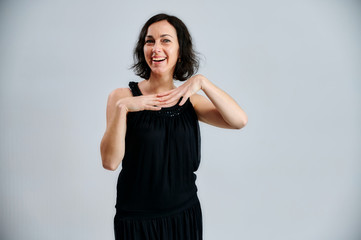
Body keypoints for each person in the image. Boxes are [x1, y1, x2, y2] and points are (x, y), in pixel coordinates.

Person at [100, 13, 248, 240]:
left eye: (165, 40)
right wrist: (124, 109)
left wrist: (202, 82)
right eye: (150, 41)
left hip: (184, 215)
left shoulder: (190, 101)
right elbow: (110, 162)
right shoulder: (122, 98)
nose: (156, 48)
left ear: (180, 51)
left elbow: (239, 121)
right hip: (137, 220)